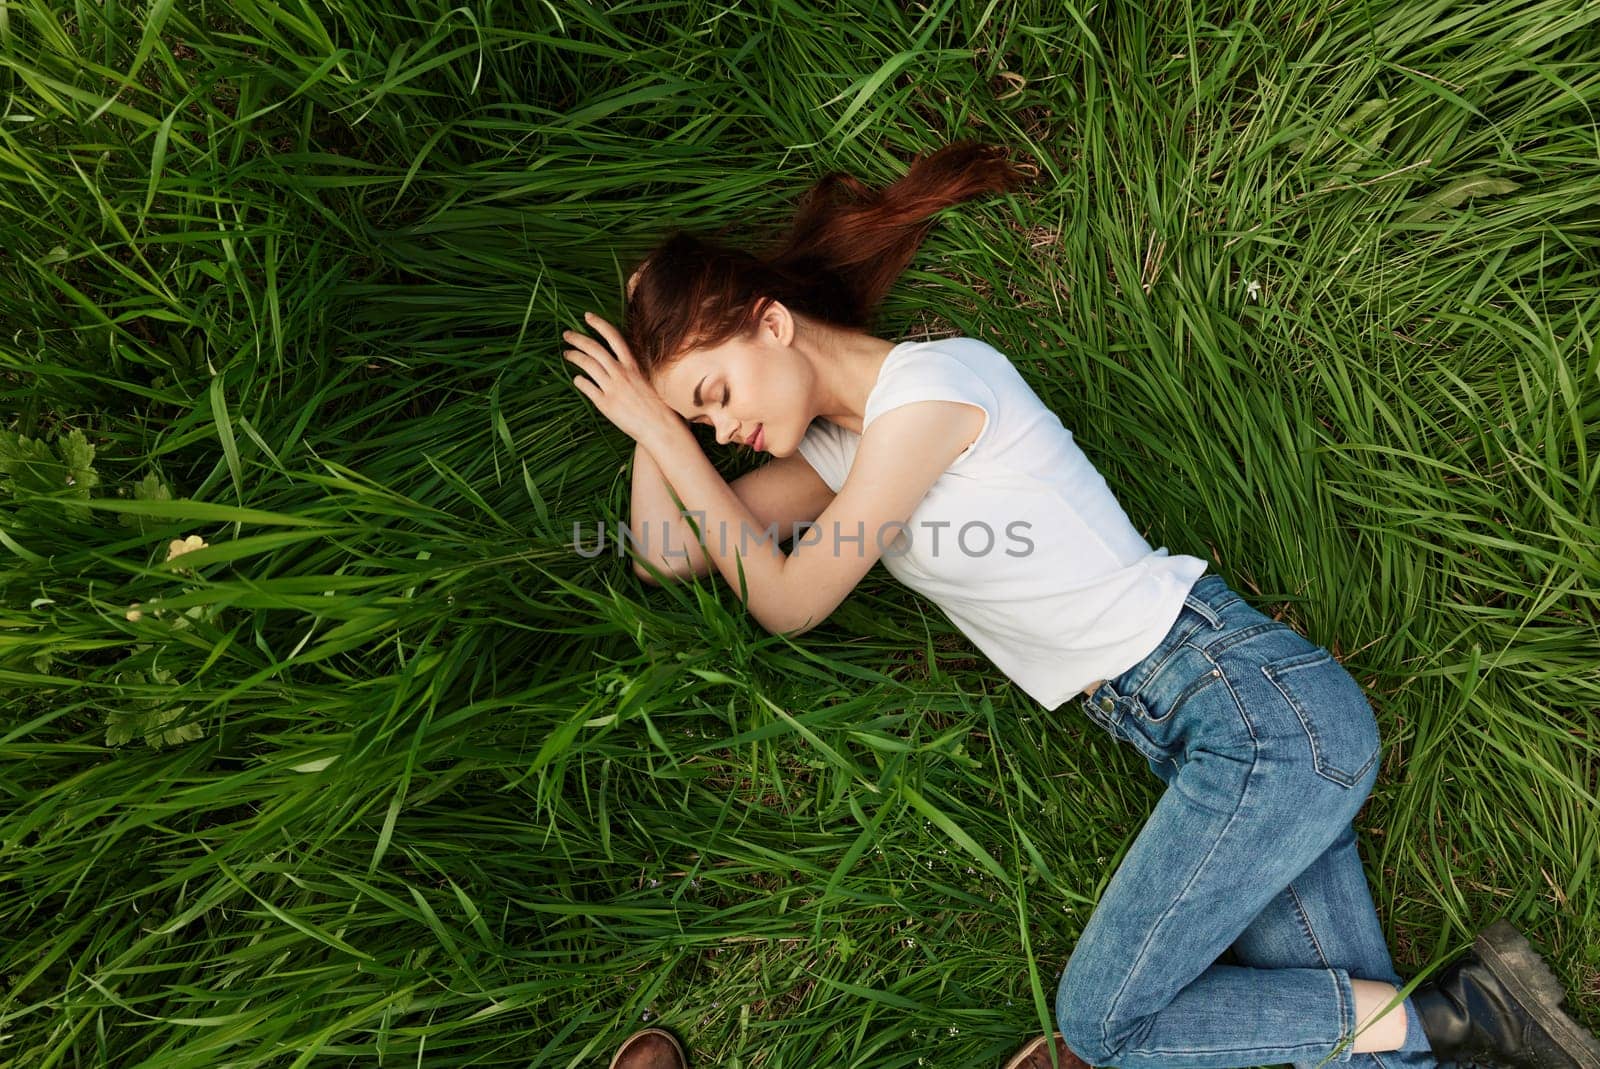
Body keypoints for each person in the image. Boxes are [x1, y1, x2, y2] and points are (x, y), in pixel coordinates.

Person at [561, 141, 1600, 1069]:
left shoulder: (929, 393)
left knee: (1107, 1023)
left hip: (1247, 710)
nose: (722, 427)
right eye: (703, 418)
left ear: (773, 323)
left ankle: (1468, 1010)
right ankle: (1461, 1020)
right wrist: (655, 427)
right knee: (1358, 1051)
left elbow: (786, 600)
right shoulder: (841, 454)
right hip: (1215, 736)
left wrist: (662, 437)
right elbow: (666, 551)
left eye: (716, 395)